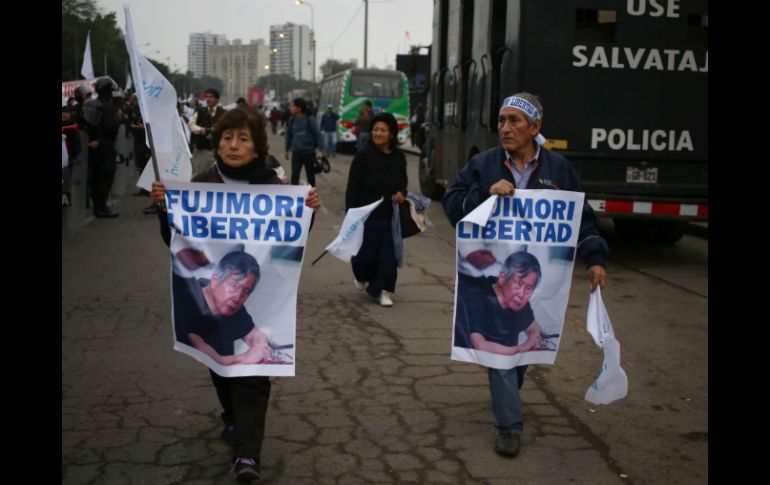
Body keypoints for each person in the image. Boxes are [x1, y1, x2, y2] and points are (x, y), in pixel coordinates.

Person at [151, 107, 322, 482]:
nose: (233, 145)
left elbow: (292, 243)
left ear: (257, 147)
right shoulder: (200, 184)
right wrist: (166, 209)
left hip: (259, 303)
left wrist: (308, 212)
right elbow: (178, 243)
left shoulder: (276, 190)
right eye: (228, 138)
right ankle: (231, 417)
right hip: (212, 307)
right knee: (224, 369)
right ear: (217, 143)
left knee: (253, 374)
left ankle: (247, 456)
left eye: (243, 139)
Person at [442, 91, 608, 458]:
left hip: (528, 286)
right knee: (502, 359)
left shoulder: (558, 170)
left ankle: (506, 403)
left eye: (514, 121)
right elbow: (452, 205)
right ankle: (509, 427)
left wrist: (594, 258)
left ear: (535, 127)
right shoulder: (483, 165)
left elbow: (581, 218)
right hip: (495, 291)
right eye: (502, 120)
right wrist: (484, 194)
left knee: (520, 357)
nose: (505, 128)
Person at [345, 112, 407, 307]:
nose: (378, 133)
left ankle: (385, 291)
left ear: (391, 134)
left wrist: (401, 193)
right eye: (375, 130)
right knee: (364, 257)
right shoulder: (363, 157)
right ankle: (361, 275)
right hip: (366, 217)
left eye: (383, 130)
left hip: (389, 217)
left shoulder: (399, 157)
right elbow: (352, 187)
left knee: (388, 258)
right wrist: (351, 215)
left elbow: (403, 183)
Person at [172, 249, 271, 366]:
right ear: (215, 280)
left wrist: (260, 347)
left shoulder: (233, 308)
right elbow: (203, 352)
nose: (238, 297)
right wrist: (244, 358)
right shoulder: (187, 301)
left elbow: (254, 334)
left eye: (245, 291)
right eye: (234, 286)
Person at [455, 251, 543, 354]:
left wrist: (532, 340)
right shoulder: (478, 297)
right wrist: (521, 349)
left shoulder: (517, 301)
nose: (521, 293)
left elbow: (534, 328)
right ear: (502, 278)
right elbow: (480, 345)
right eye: (519, 283)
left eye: (528, 287)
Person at [82, 77, 121, 218]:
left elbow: (87, 126)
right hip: (106, 145)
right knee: (106, 175)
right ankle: (101, 207)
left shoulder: (91, 104)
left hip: (93, 145)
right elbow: (111, 127)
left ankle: (98, 205)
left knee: (96, 176)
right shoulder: (109, 107)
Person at [284, 97, 324, 187]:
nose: (291, 107)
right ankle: (294, 195)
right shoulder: (292, 119)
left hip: (309, 153)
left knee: (310, 175)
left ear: (299, 108)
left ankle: (311, 193)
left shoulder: (309, 119)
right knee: (294, 175)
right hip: (297, 153)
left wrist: (321, 150)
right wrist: (286, 150)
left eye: (293, 106)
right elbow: (289, 135)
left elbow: (318, 134)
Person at [188, 88, 226, 175]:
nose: (208, 99)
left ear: (217, 99)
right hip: (203, 150)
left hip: (218, 151)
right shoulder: (200, 111)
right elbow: (191, 125)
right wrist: (201, 129)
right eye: (207, 97)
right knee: (199, 175)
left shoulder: (224, 113)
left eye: (211, 97)